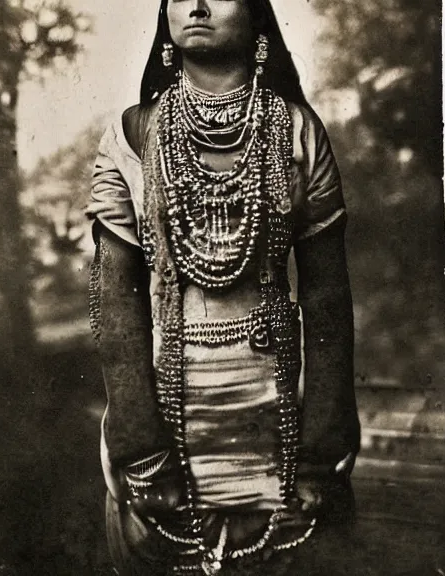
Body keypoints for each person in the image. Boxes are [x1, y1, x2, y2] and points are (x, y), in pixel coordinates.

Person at [85, 1, 361, 574]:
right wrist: (140, 449)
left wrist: (320, 451)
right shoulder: (131, 138)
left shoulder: (299, 133)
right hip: (166, 416)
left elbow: (329, 302)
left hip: (276, 409)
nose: (199, 5)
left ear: (260, 18)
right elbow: (116, 309)